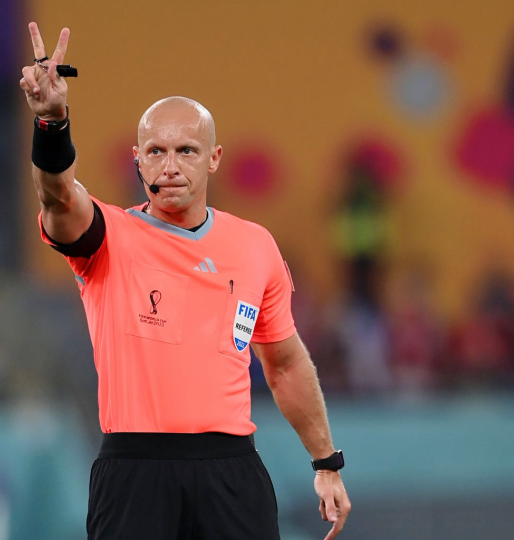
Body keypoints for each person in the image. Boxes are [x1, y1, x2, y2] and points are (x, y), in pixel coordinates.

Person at [20, 22, 351, 540]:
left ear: (214, 158)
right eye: (155, 151)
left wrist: (326, 462)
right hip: (135, 473)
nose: (170, 166)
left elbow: (285, 362)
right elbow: (58, 196)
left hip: (231, 471)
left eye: (187, 151)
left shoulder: (254, 245)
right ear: (137, 160)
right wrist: (52, 122)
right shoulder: (107, 236)